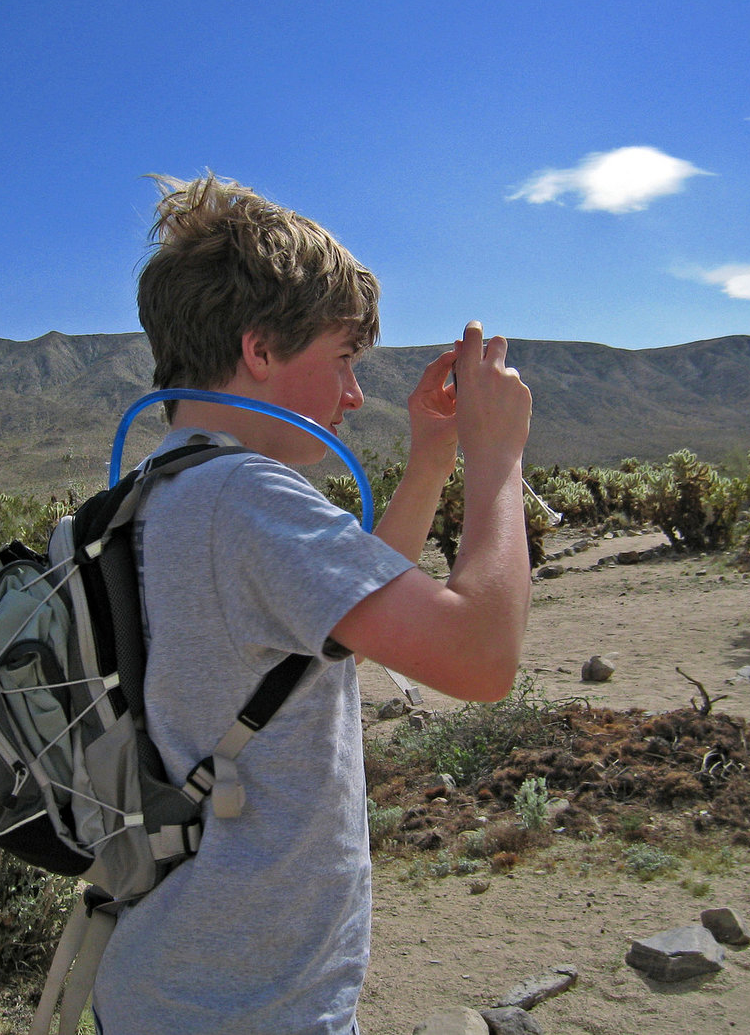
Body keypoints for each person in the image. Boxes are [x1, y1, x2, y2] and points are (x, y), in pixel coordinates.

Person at [91, 173, 532, 1035]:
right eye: (342, 360)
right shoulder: (247, 497)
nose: (354, 395)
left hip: (171, 986)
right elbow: (481, 657)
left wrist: (433, 457)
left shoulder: (167, 488)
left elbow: (338, 629)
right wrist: (499, 458)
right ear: (260, 349)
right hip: (252, 1008)